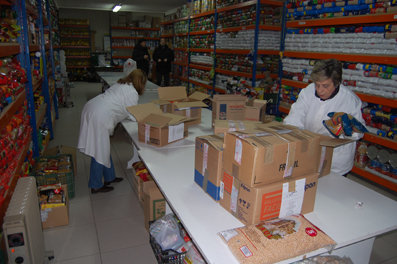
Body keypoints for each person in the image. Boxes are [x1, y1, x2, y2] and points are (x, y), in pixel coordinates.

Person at [284, 59, 365, 176]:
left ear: (336, 83)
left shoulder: (350, 100)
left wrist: (346, 128)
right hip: (310, 154)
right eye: (317, 85)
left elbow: (359, 132)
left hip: (336, 162)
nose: (320, 90)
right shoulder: (308, 92)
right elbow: (295, 118)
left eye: (325, 86)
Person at [77, 69, 147, 193]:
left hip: (92, 107)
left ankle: (110, 177)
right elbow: (132, 113)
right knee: (98, 150)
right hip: (99, 115)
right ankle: (95, 185)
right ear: (140, 82)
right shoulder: (132, 92)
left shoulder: (121, 84)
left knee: (103, 146)